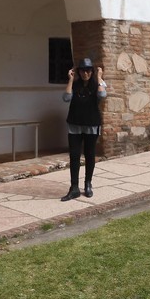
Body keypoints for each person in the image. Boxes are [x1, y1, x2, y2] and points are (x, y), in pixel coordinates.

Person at [61, 57, 107, 201]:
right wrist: (70, 80)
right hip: (75, 124)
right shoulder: (75, 85)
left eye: (88, 71)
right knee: (74, 156)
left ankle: (88, 184)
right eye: (82, 71)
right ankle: (74, 187)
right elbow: (66, 98)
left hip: (91, 124)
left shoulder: (98, 83)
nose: (85, 73)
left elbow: (102, 95)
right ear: (78, 71)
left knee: (89, 154)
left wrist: (99, 77)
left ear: (92, 71)